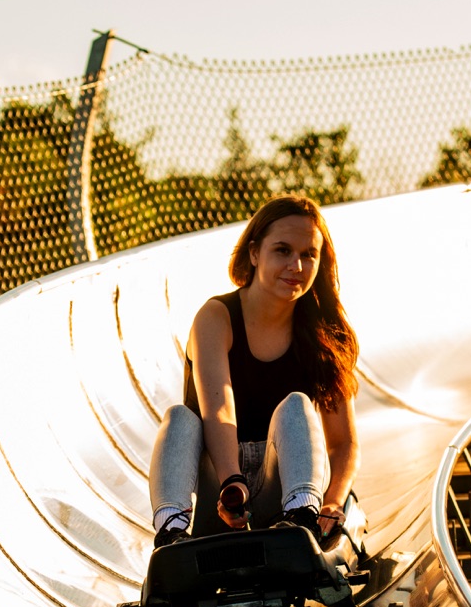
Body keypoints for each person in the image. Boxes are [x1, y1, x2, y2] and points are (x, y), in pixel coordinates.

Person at [148, 194, 360, 550]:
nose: (296, 265)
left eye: (309, 254)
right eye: (282, 250)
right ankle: (171, 532)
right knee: (180, 418)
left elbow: (343, 442)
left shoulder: (326, 334)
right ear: (254, 253)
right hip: (219, 493)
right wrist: (232, 482)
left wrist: (334, 502)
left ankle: (301, 519)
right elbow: (219, 409)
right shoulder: (215, 318)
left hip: (280, 489)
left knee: (296, 405)